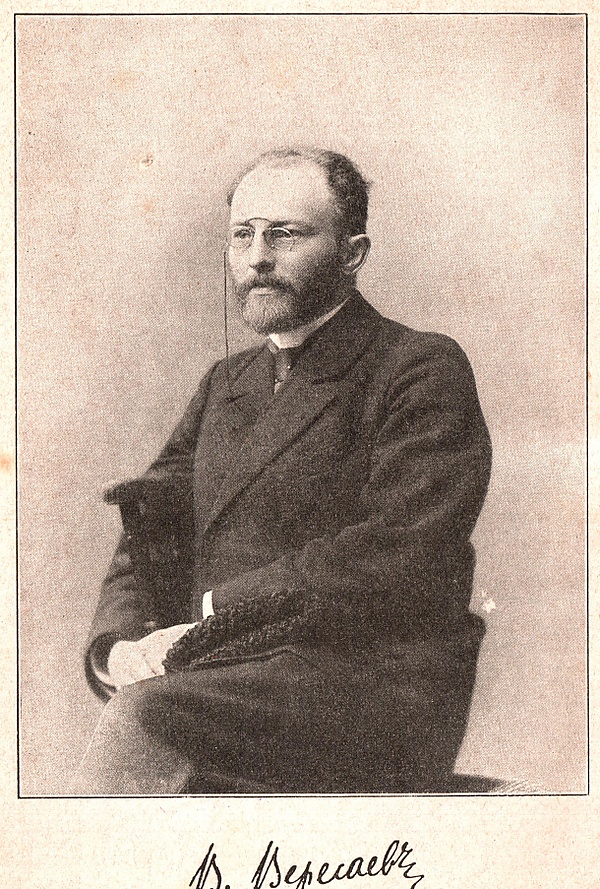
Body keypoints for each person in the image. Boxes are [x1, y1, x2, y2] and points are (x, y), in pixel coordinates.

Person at [73, 147, 492, 796]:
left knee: (147, 716)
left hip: (369, 689)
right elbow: (148, 529)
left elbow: (398, 552)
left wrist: (212, 615)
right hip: (227, 675)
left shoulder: (418, 367)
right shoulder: (226, 383)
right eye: (242, 235)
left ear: (352, 253)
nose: (257, 257)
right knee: (143, 705)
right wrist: (120, 646)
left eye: (285, 234)